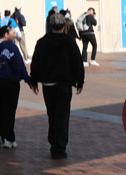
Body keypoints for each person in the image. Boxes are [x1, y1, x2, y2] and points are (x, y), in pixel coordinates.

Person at [30, 13, 85, 160]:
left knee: (52, 113)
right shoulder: (69, 42)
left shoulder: (41, 42)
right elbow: (77, 62)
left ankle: (53, 139)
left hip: (47, 84)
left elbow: (35, 62)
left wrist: (33, 81)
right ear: (64, 25)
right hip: (64, 84)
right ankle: (58, 148)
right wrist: (80, 81)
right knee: (62, 115)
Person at [0, 23, 33, 148]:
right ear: (6, 34)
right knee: (9, 110)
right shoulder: (11, 47)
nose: (15, 35)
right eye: (13, 33)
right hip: (9, 82)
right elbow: (18, 65)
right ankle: (9, 139)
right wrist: (28, 79)